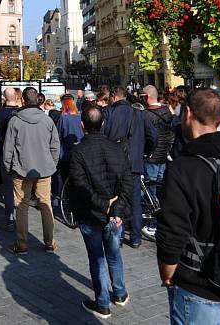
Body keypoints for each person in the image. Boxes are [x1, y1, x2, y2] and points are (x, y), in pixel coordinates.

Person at [156, 88, 220, 325]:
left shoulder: (182, 168)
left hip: (199, 285)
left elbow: (173, 231)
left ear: (188, 113)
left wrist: (168, 275)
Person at [69, 107, 132, 319]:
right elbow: (127, 181)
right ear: (103, 124)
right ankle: (120, 294)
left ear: (83, 125)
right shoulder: (116, 148)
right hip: (111, 213)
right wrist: (115, 207)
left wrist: (108, 206)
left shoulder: (78, 151)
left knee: (97, 258)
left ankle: (103, 302)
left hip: (91, 213)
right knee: (113, 254)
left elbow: (80, 186)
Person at [3, 87, 60, 254]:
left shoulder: (15, 121)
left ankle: (21, 244)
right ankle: (49, 242)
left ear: (23, 101)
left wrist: (8, 167)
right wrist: (52, 164)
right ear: (38, 101)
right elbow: (55, 146)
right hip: (44, 169)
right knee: (45, 204)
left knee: (21, 206)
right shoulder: (47, 120)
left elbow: (8, 149)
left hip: (21, 169)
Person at [101, 85, 157, 248]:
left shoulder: (109, 112)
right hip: (134, 164)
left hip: (114, 163)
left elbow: (103, 136)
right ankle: (136, 237)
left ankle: (117, 236)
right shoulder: (139, 113)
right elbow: (153, 135)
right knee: (135, 201)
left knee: (117, 200)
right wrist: (145, 152)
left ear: (114, 96)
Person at [0, 88, 21, 230]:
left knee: (8, 187)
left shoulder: (0, 113)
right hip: (20, 152)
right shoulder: (21, 112)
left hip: (4, 152)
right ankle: (21, 216)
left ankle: (10, 218)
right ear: (16, 97)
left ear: (4, 97)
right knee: (20, 186)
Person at [141, 85, 174, 203]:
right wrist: (167, 148)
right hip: (164, 154)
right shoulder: (167, 111)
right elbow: (171, 134)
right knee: (161, 184)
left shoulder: (145, 115)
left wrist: (147, 152)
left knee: (151, 186)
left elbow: (149, 137)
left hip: (152, 157)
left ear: (147, 97)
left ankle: (154, 211)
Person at [54, 94, 84, 202]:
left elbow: (57, 135)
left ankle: (60, 197)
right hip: (79, 151)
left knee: (62, 175)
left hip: (65, 152)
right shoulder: (80, 117)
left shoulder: (63, 118)